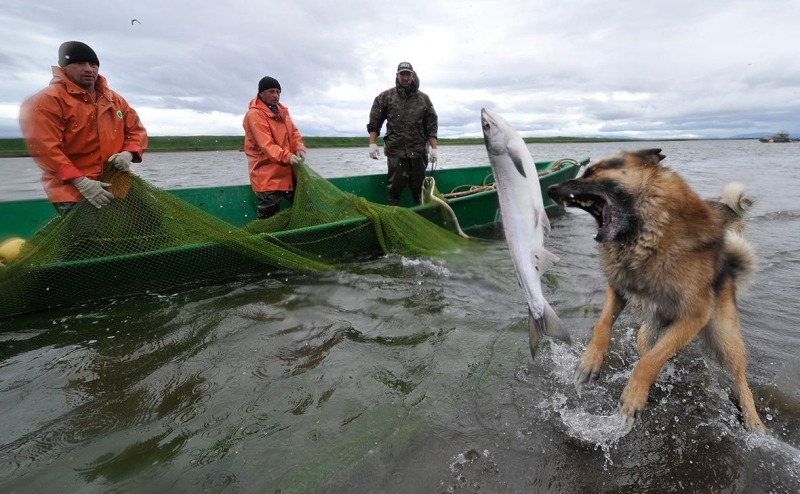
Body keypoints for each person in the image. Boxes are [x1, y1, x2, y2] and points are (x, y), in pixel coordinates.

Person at [19, 41, 148, 216]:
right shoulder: (46, 100)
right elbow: (46, 150)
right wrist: (81, 182)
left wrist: (128, 153)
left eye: (93, 64)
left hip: (118, 183)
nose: (88, 69)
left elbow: (136, 131)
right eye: (79, 63)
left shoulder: (114, 99)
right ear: (64, 68)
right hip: (72, 190)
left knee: (151, 221)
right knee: (90, 239)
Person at [367, 61, 438, 206]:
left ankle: (421, 211)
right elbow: (375, 122)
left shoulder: (423, 99)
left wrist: (434, 148)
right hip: (396, 151)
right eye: (402, 74)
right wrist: (372, 143)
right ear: (397, 76)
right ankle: (393, 210)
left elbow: (431, 125)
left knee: (419, 188)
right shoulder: (385, 97)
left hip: (418, 151)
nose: (405, 77)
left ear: (413, 76)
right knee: (394, 189)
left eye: (408, 74)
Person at [242, 76, 307, 219]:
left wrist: (299, 147)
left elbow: (294, 133)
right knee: (268, 215)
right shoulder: (255, 114)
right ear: (261, 93)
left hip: (287, 173)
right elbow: (266, 145)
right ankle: (262, 238)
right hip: (267, 175)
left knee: (306, 204)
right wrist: (287, 156)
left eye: (278, 92)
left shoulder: (282, 111)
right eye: (271, 91)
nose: (276, 95)